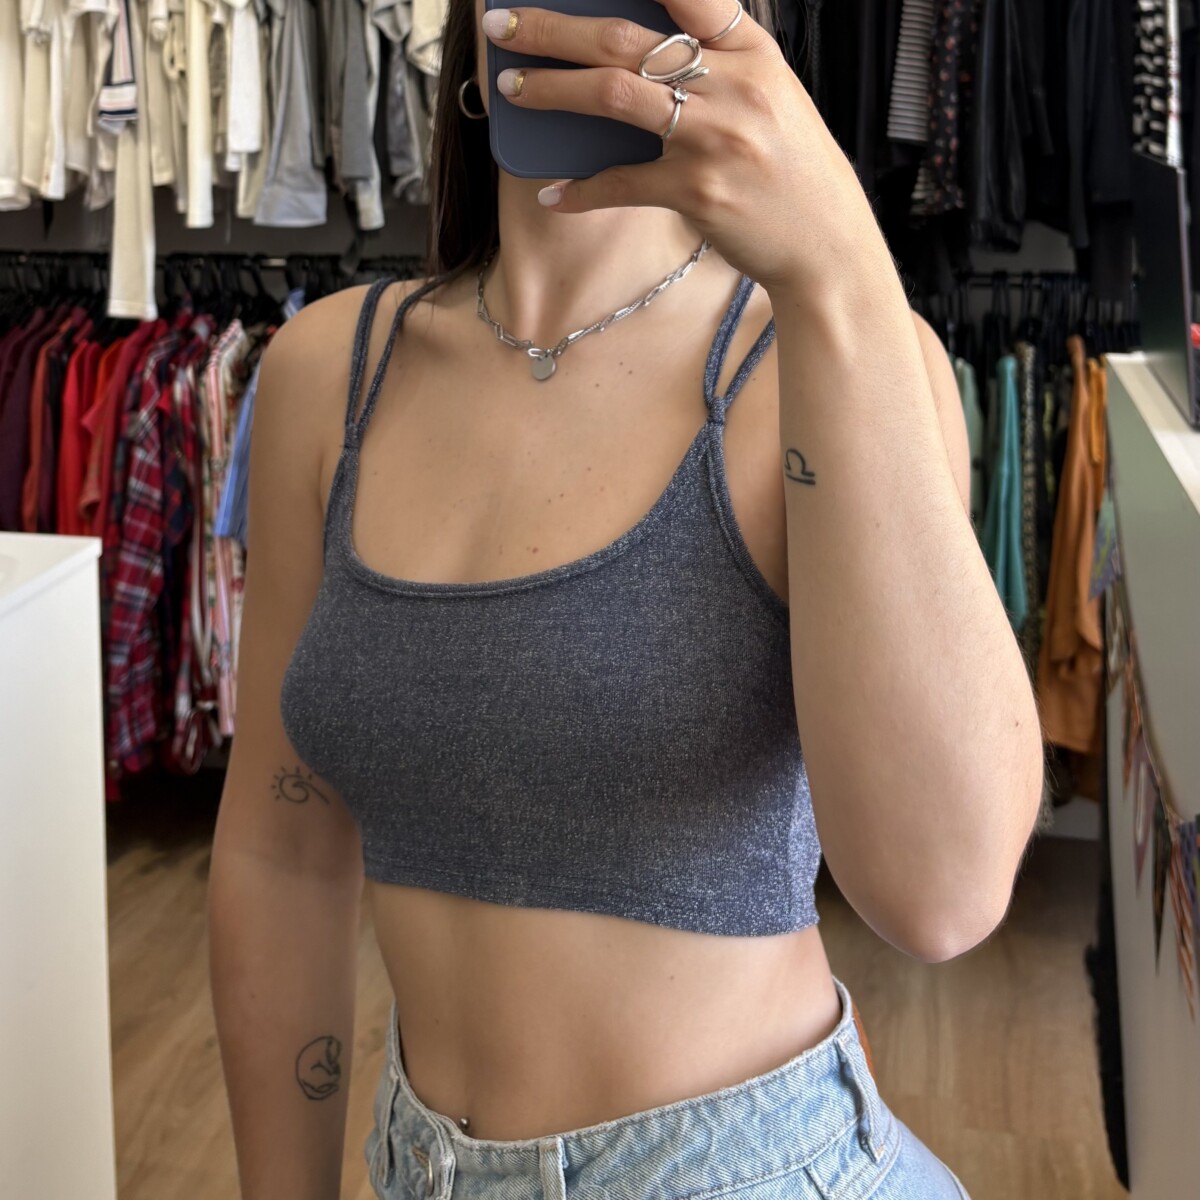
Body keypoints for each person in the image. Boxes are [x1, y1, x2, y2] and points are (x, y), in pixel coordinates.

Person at [207, 3, 1045, 1199]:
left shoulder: (830, 352)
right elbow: (279, 852)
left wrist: (841, 267)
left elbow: (944, 895)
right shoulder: (325, 373)